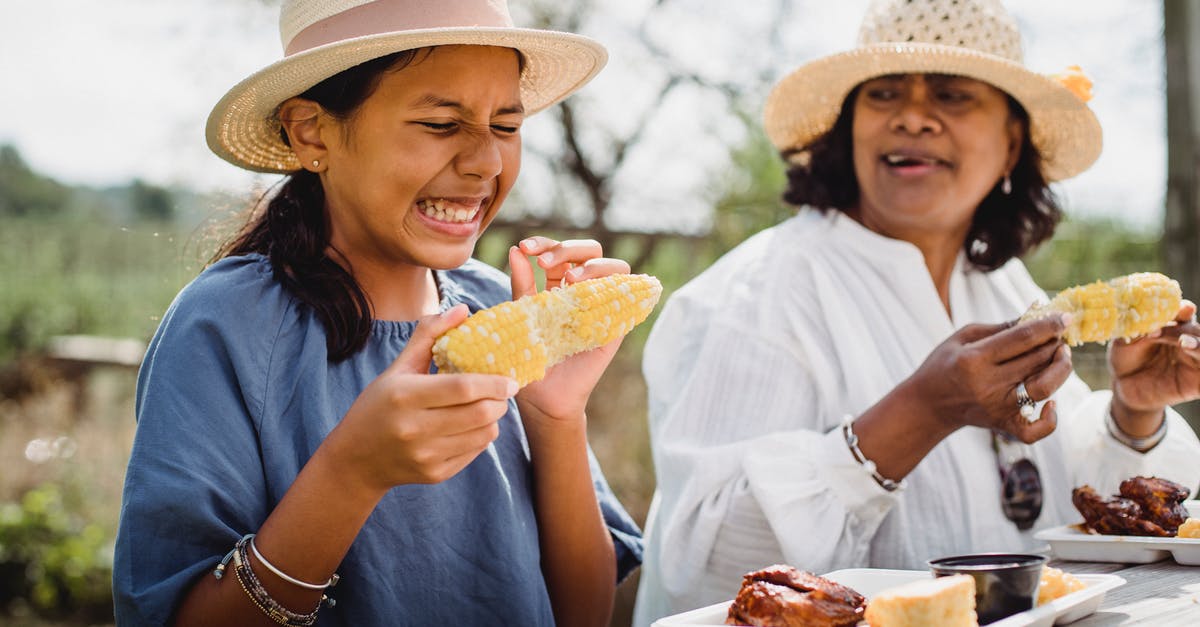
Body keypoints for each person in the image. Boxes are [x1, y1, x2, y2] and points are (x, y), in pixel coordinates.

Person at [632, 0, 1200, 623]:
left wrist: (1134, 410)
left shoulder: (1002, 284)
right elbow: (705, 564)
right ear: (849, 129)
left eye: (953, 96)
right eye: (884, 94)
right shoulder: (756, 294)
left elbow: (1070, 497)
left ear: (1013, 143)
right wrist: (921, 414)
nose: (912, 118)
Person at [112, 1, 643, 625]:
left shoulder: (505, 307)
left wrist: (556, 415)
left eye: (505, 126)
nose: (486, 162)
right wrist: (351, 474)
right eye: (442, 124)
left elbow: (583, 612)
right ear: (311, 131)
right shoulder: (223, 329)